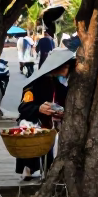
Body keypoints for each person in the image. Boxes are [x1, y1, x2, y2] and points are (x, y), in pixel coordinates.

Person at [15, 49, 74, 179]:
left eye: (68, 68)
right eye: (64, 67)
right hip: (34, 125)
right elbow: (23, 107)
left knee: (48, 152)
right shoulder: (34, 84)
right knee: (33, 152)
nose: (66, 71)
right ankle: (29, 171)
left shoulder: (57, 84)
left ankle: (46, 173)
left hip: (49, 126)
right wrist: (38, 108)